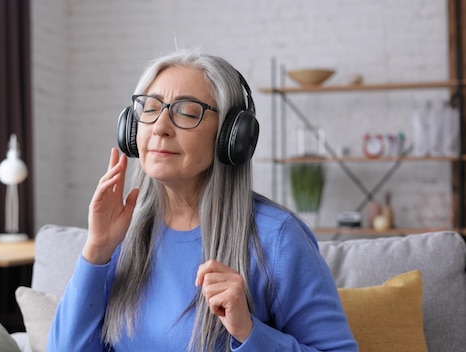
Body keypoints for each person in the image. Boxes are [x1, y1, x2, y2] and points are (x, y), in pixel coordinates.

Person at [48, 49, 358, 352]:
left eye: (186, 112)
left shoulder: (278, 239)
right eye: (150, 108)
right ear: (131, 127)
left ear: (231, 136)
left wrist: (249, 332)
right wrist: (97, 250)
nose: (160, 128)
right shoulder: (119, 233)